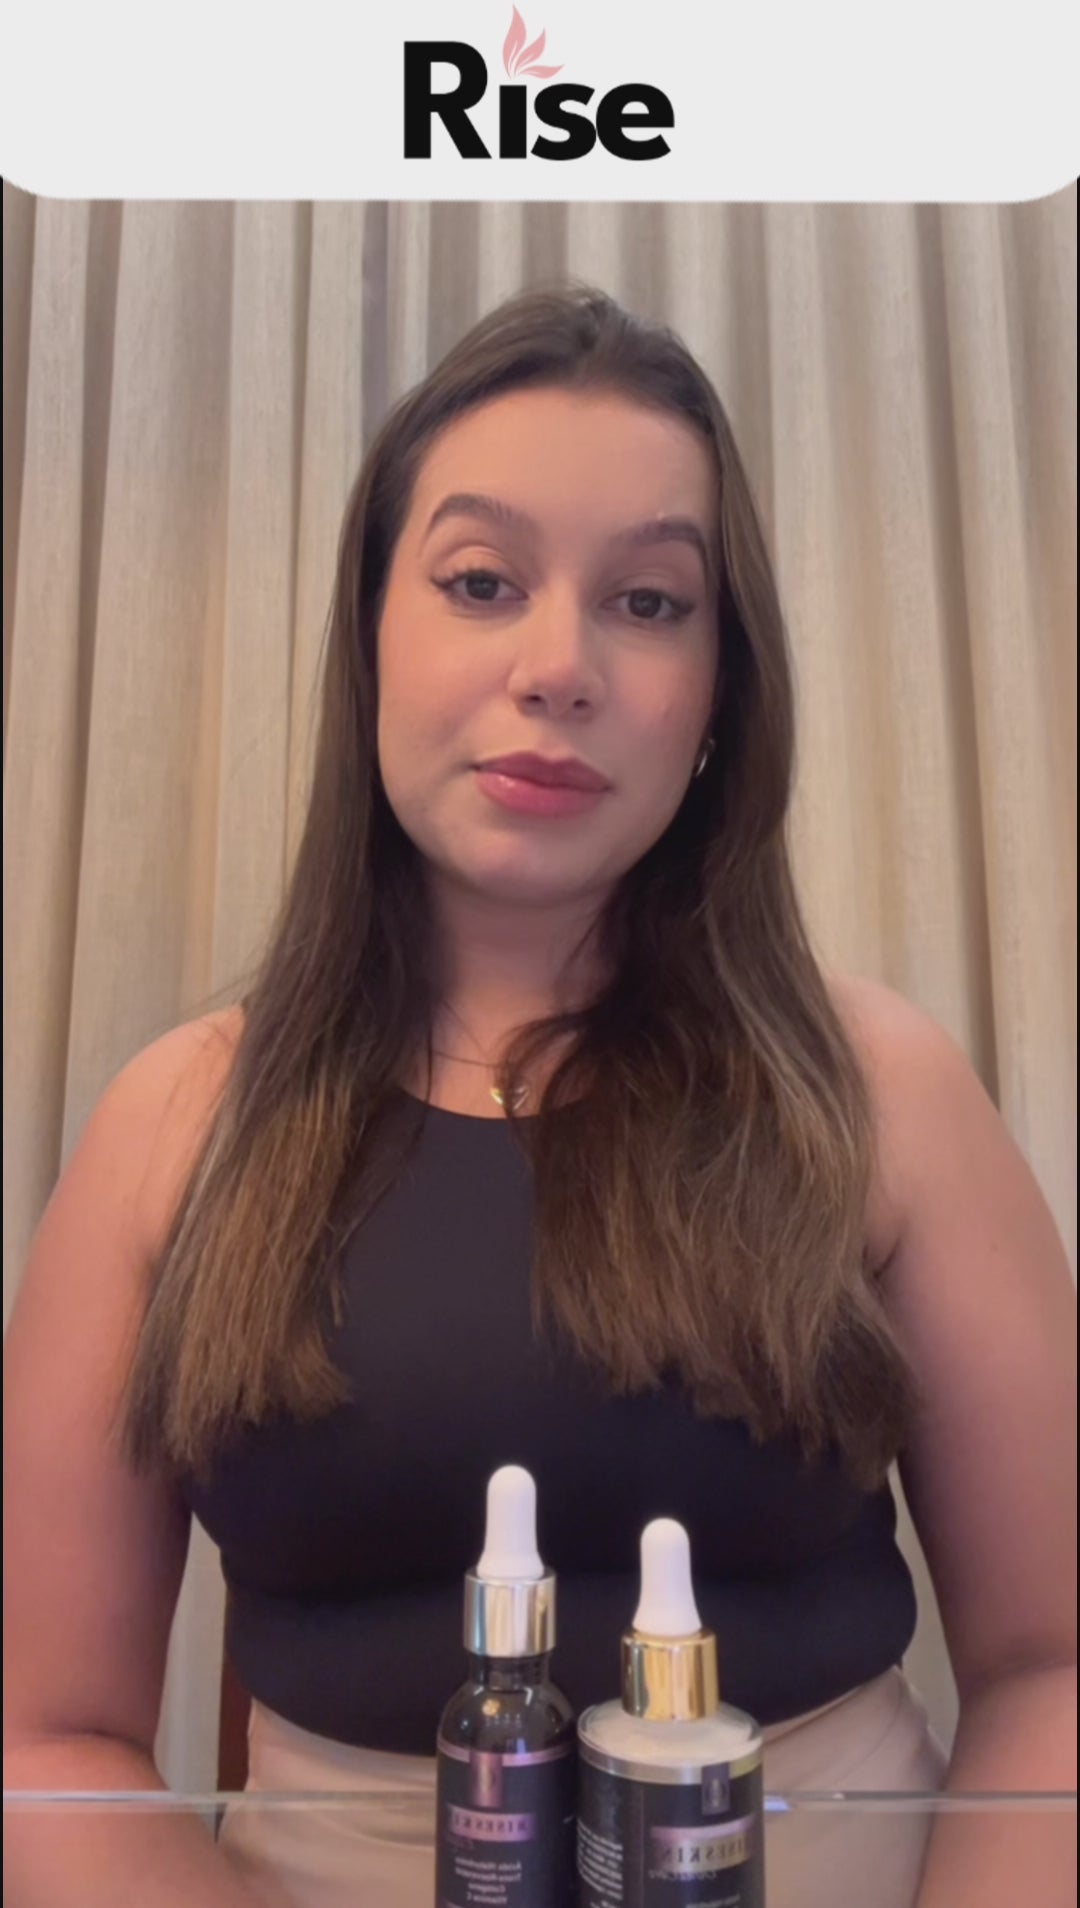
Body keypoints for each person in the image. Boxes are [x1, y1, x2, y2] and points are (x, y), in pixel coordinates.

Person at [4, 287, 1075, 1908]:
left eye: (648, 602)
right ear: (373, 635)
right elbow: (50, 1739)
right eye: (481, 582)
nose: (560, 666)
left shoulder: (879, 1091)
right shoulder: (174, 1126)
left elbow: (1055, 1661)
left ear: (721, 691)